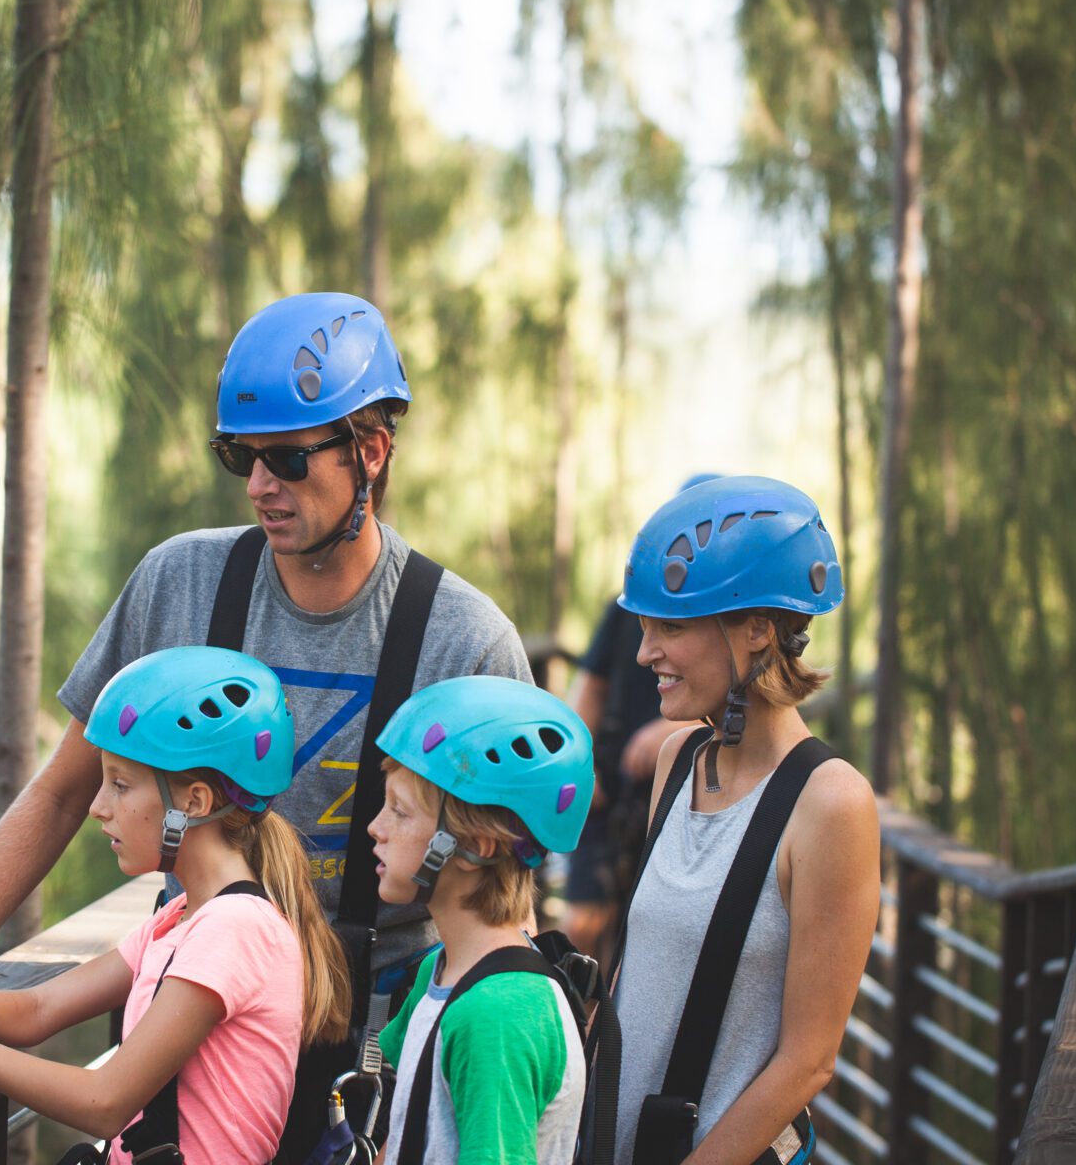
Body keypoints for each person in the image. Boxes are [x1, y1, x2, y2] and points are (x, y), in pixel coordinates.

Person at [0, 293, 532, 1161]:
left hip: (370, 1039)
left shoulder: (463, 638)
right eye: (239, 457)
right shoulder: (178, 585)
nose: (261, 486)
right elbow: (66, 786)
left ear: (371, 452)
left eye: (289, 460)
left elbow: (504, 878)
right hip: (185, 1010)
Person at [0, 648, 349, 1165]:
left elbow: (105, 1100)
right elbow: (39, 1010)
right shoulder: (179, 919)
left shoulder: (234, 930)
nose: (96, 807)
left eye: (120, 785)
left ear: (194, 803)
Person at [595, 475, 880, 1165]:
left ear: (757, 628)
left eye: (672, 627)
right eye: (643, 627)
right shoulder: (676, 759)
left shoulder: (830, 803)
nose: (644, 654)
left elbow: (809, 1061)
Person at [366, 675, 596, 1165]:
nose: (375, 828)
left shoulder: (497, 1014)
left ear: (473, 846)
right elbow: (408, 1130)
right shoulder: (440, 969)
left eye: (399, 812)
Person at [563, 473, 721, 968]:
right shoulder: (627, 608)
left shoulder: (726, 617)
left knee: (646, 940)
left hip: (680, 812)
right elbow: (589, 687)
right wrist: (577, 763)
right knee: (581, 929)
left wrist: (681, 730)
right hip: (611, 796)